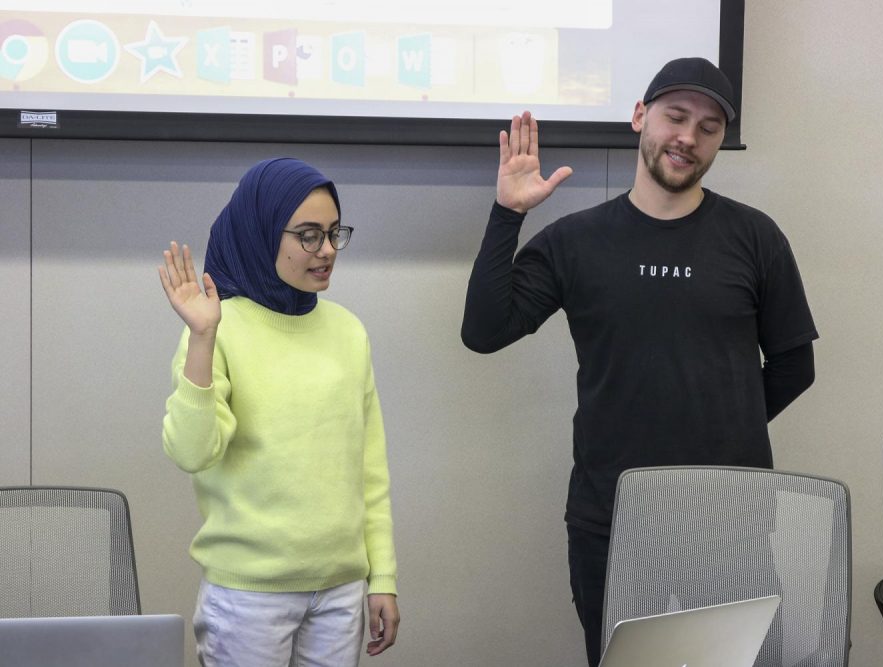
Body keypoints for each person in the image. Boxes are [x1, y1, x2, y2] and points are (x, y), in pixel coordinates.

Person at [461, 57, 817, 666]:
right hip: (613, 521)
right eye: (676, 117)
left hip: (729, 520)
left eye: (708, 127)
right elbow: (485, 332)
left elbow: (794, 365)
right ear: (638, 117)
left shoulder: (755, 237)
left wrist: (720, 422)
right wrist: (508, 214)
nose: (689, 137)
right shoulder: (577, 240)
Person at [158, 157, 399, 667]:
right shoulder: (216, 326)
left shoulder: (348, 331)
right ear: (262, 233)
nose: (328, 250)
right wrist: (202, 336)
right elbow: (192, 451)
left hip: (341, 591)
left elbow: (369, 472)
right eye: (309, 235)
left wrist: (383, 577)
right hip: (248, 597)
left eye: (335, 233)